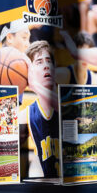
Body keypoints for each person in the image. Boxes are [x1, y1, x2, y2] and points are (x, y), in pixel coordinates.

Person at [18, 40, 59, 178]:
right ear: (30, 72)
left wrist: (35, 86)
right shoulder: (27, 114)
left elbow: (66, 109)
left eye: (49, 61)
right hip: (48, 185)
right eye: (39, 62)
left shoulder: (69, 100)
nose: (46, 66)